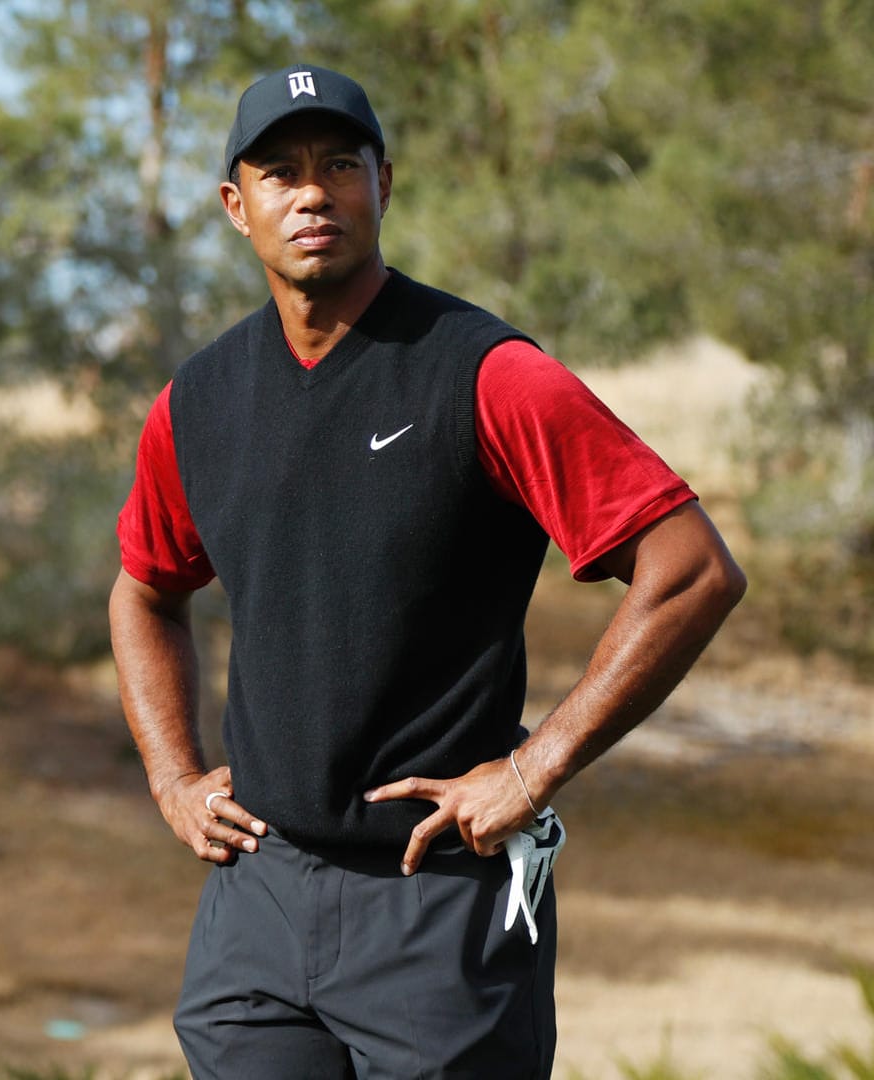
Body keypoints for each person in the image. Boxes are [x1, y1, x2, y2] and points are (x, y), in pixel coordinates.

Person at [109, 64, 745, 1078]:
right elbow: (145, 591)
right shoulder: (198, 403)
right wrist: (174, 778)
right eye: (280, 172)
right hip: (258, 904)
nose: (313, 193)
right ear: (237, 207)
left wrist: (534, 770)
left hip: (440, 900)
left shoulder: (487, 374)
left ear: (384, 185)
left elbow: (690, 570)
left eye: (340, 165)